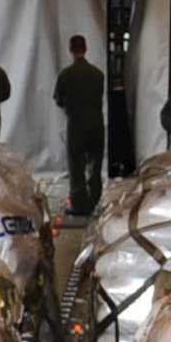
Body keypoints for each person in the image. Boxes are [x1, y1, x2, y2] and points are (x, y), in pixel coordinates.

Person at [53, 33, 106, 217]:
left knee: (76, 164)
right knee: (95, 162)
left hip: (76, 123)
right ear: (86, 49)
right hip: (97, 123)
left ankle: (79, 203)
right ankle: (94, 200)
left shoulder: (66, 75)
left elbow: (58, 98)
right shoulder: (98, 74)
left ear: (70, 50)